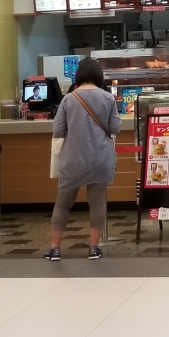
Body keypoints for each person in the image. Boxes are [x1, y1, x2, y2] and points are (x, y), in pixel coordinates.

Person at [45, 57, 121, 261]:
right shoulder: (108, 98)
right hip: (101, 158)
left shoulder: (69, 99)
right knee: (97, 203)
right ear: (99, 75)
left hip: (74, 159)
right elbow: (115, 128)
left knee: (63, 204)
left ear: (79, 75)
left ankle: (55, 249)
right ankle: (94, 248)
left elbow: (58, 130)